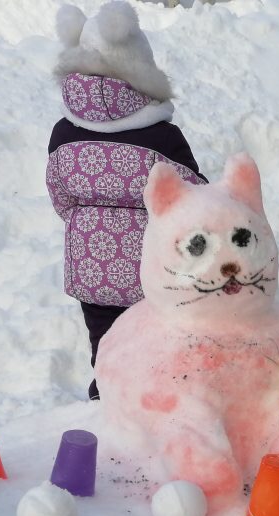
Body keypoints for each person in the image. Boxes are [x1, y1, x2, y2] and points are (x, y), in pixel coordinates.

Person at [47, 1, 206, 400]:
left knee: (104, 337)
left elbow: (60, 195)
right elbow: (193, 197)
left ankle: (107, 392)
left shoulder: (64, 134)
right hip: (149, 264)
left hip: (90, 262)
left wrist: (88, 224)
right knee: (155, 335)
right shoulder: (162, 138)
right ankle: (154, 398)